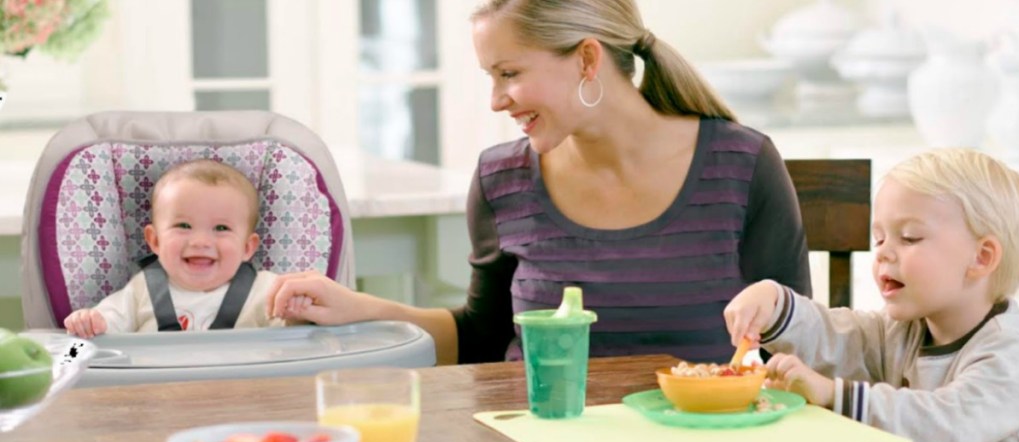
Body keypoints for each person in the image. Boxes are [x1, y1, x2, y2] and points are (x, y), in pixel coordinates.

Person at [267, 0, 811, 365]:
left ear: (587, 60)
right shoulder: (502, 180)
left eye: (509, 74)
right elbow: (483, 338)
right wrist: (359, 308)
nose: (496, 100)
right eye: (491, 78)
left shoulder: (742, 164)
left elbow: (800, 339)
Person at [724, 148, 1019, 442]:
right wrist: (774, 303)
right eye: (879, 238)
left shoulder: (1012, 353)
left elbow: (947, 422)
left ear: (981, 257)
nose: (882, 252)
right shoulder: (900, 331)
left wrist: (833, 394)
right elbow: (840, 337)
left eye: (910, 237)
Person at [64, 159, 292, 337]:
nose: (200, 241)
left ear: (246, 247)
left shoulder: (268, 290)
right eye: (183, 226)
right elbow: (107, 322)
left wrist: (298, 310)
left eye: (221, 228)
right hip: (156, 393)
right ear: (155, 241)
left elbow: (297, 334)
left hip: (244, 392)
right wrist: (90, 322)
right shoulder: (142, 290)